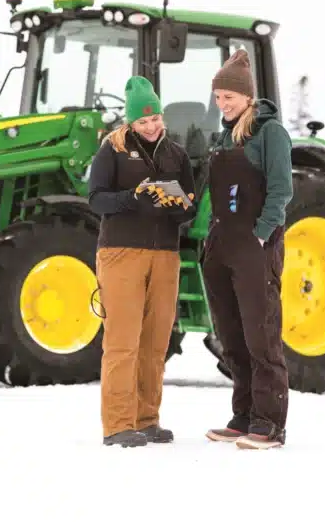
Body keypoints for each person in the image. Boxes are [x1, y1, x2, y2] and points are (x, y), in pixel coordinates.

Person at [88, 75, 197, 448]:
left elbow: (189, 205)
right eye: (143, 121)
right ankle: (118, 424)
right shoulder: (112, 150)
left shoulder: (177, 155)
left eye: (155, 119)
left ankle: (146, 419)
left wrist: (183, 209)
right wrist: (132, 200)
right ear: (130, 122)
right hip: (121, 253)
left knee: (155, 342)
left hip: (165, 254)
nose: (151, 127)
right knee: (123, 341)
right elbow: (96, 199)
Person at [202, 49, 293, 450]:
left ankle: (269, 422)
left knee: (261, 334)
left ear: (248, 97)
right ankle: (243, 416)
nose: (223, 104)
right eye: (219, 97)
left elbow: (281, 190)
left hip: (255, 247)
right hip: (222, 246)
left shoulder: (271, 132)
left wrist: (261, 233)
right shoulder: (224, 133)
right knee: (232, 336)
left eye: (230, 98)